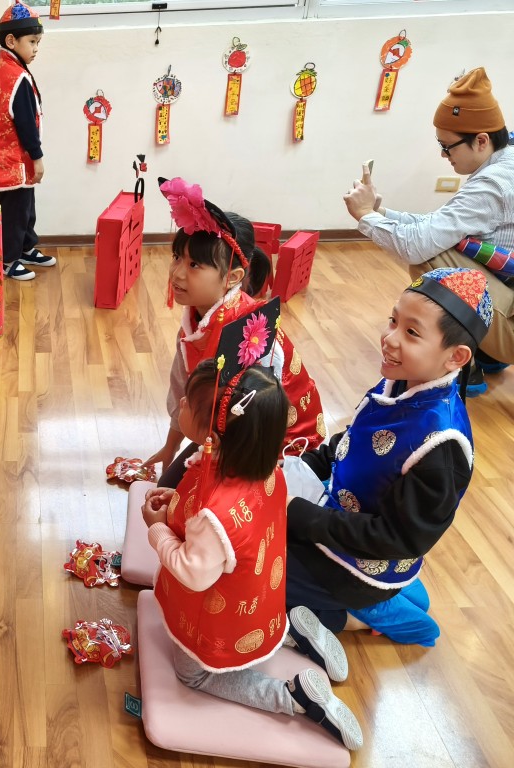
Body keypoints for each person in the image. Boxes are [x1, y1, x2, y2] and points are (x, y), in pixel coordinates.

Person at [143, 359, 362, 751]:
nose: (181, 404)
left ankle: (295, 697)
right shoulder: (264, 469)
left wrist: (157, 529)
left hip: (220, 613)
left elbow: (192, 571)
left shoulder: (213, 515)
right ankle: (294, 631)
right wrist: (177, 499)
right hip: (260, 599)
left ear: (213, 435)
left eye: (188, 403)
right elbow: (217, 507)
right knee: (254, 614)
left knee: (193, 675)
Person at [285, 267, 492, 647]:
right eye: (393, 321)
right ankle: (396, 594)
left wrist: (298, 514)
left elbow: (397, 538)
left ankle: (365, 615)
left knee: (253, 575)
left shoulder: (442, 445)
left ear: (456, 356)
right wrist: (300, 467)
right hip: (341, 524)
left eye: (412, 332)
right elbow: (352, 442)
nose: (389, 338)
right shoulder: (400, 381)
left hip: (362, 563)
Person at [146, 178, 326, 487]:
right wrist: (170, 447)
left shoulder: (252, 337)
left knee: (183, 500)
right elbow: (182, 392)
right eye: (177, 257)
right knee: (167, 490)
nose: (176, 273)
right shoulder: (195, 322)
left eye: (194, 265)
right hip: (225, 428)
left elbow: (259, 423)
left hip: (271, 448)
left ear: (232, 277)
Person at [344, 67, 513, 393]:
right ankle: (487, 351)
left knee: (431, 264)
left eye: (448, 146)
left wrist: (365, 215)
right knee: (440, 246)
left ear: (481, 140)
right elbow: (439, 226)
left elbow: (418, 246)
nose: (443, 154)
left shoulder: (493, 185)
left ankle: (465, 363)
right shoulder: (505, 161)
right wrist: (379, 213)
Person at [0, 0, 55, 281]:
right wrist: (37, 157)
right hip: (13, 160)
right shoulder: (16, 76)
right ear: (11, 41)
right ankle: (9, 260)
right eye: (32, 42)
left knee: (25, 207)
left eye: (38, 42)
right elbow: (25, 122)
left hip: (10, 158)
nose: (36, 48)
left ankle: (25, 248)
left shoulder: (3, 69)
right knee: (14, 211)